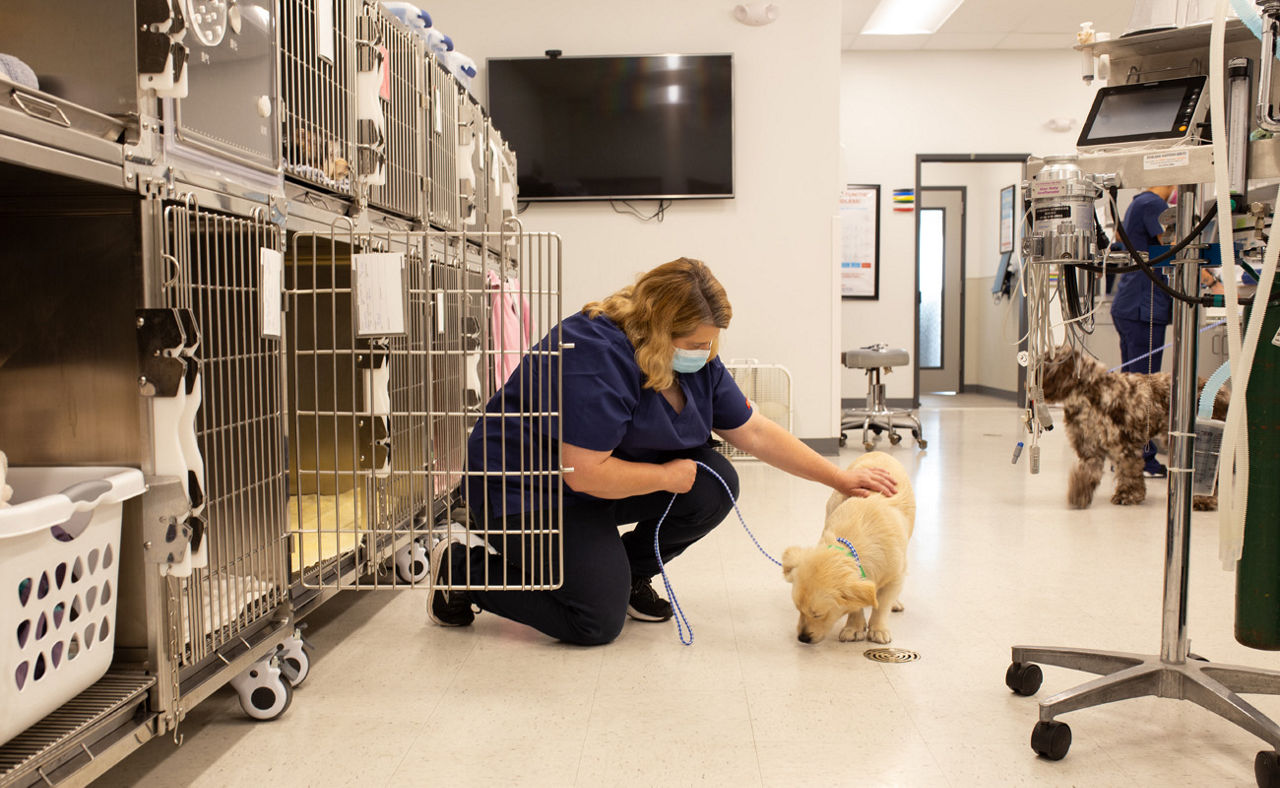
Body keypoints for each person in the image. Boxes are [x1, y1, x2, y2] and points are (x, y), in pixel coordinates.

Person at [427, 257, 898, 646]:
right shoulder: (594, 352)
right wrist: (664, 477)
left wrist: (838, 479)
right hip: (526, 493)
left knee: (714, 481)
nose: (705, 352)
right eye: (695, 343)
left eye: (710, 343)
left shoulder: (696, 360)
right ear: (656, 329)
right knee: (594, 623)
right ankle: (464, 572)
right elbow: (585, 472)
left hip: (589, 488)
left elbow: (752, 431)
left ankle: (627, 574)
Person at [1110, 185, 1175, 478]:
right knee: (1143, 389)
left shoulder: (1138, 203)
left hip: (1131, 305)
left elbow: (1120, 240)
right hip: (1143, 308)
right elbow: (1177, 247)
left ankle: (1126, 453)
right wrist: (1212, 282)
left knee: (1132, 386)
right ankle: (1139, 458)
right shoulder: (1152, 204)